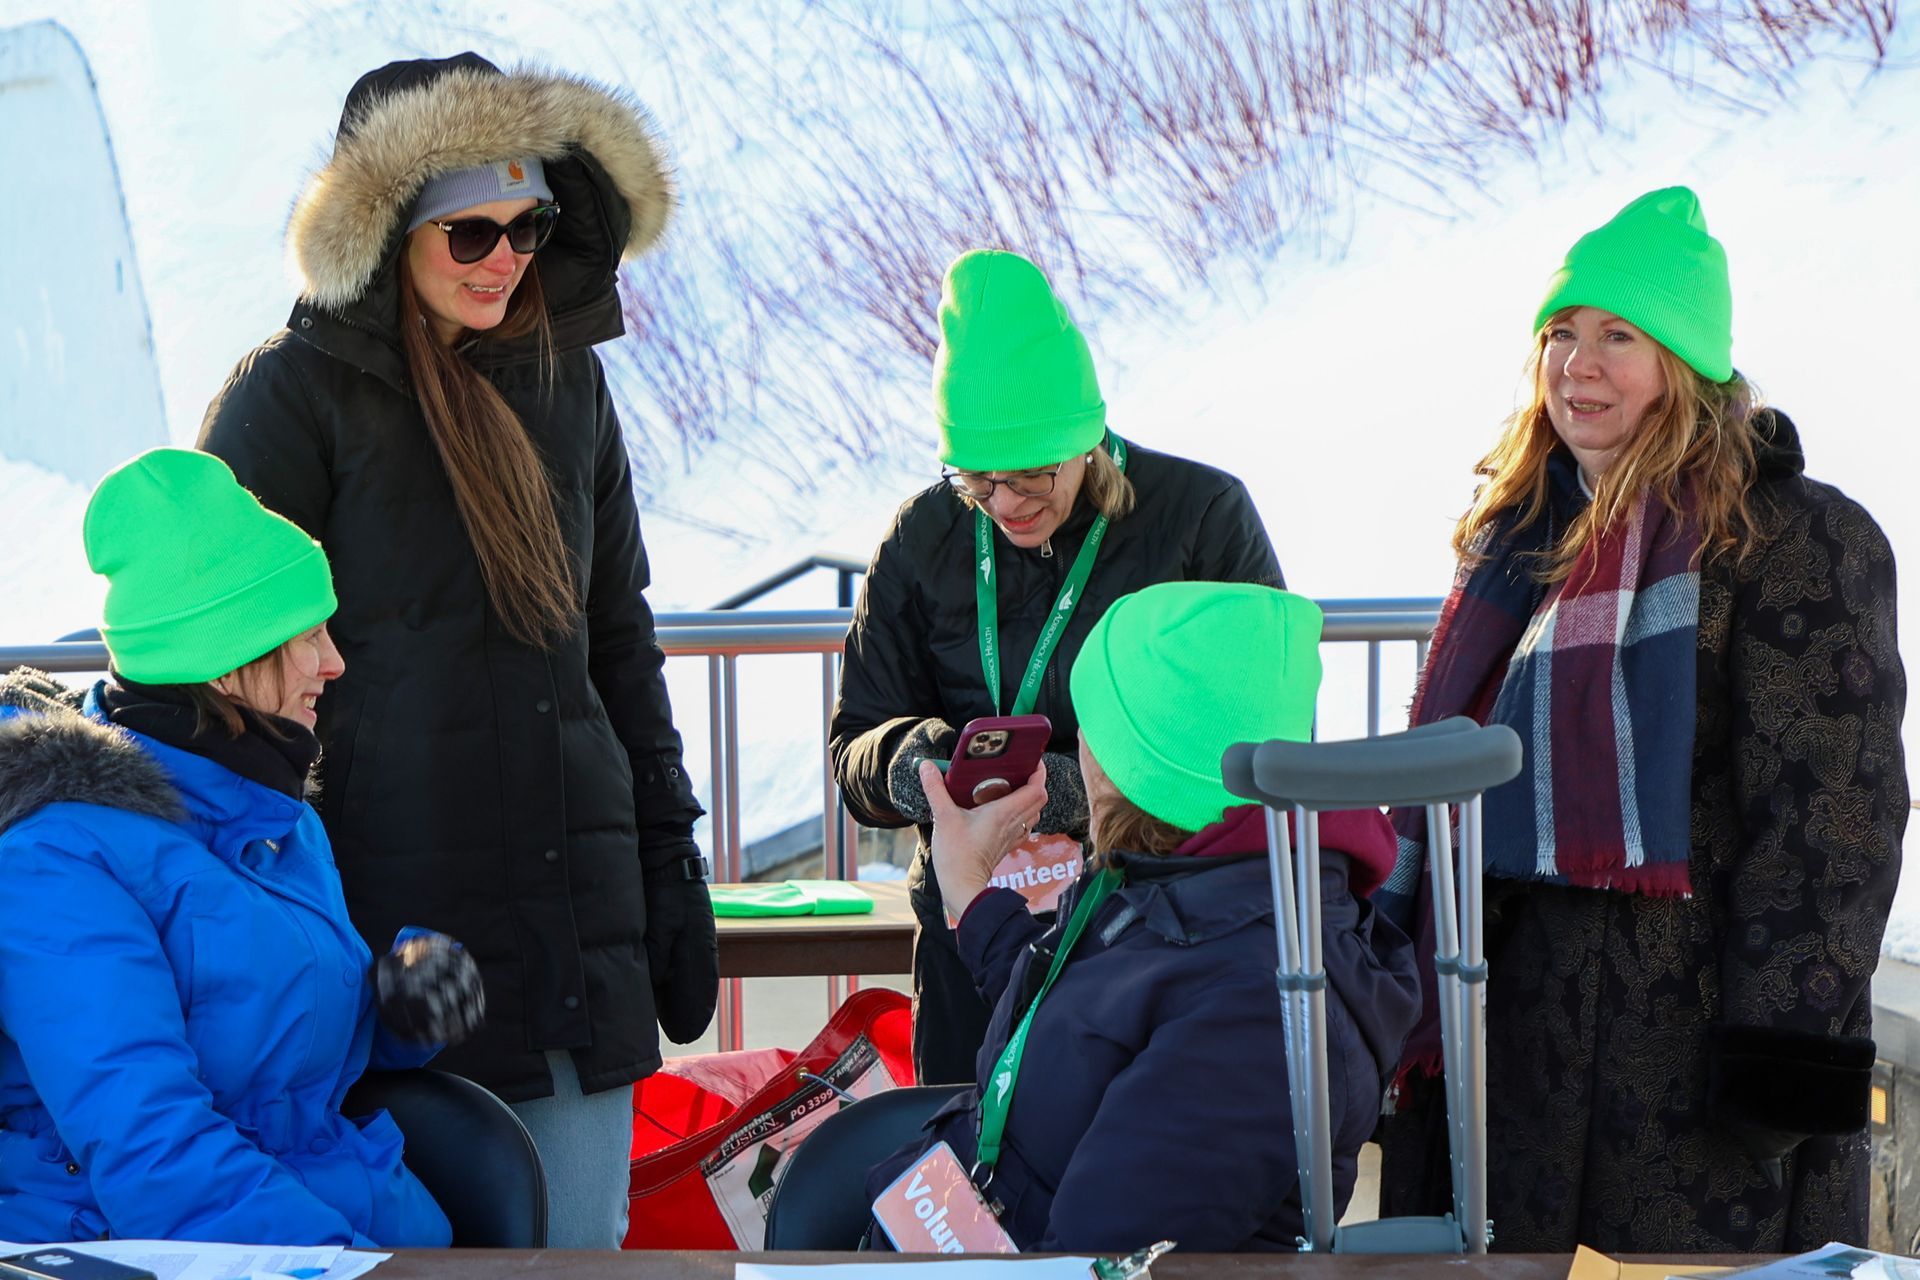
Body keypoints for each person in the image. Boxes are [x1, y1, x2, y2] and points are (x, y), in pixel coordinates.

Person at [197, 55, 715, 1247]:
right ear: (387, 232)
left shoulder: (568, 383)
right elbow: (216, 692)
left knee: (578, 1247)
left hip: (576, 929)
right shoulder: (290, 400)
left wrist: (670, 857)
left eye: (528, 228)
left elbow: (619, 641)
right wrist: (281, 930)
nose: (504, 260)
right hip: (388, 930)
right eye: (469, 230)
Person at [1374, 187, 1907, 1252]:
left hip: (1694, 1073)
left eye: (1620, 335)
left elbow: (1831, 818)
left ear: (1689, 361)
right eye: (1561, 334)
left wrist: (1777, 1055)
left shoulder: (1791, 536)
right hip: (1513, 1048)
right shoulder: (1519, 540)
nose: (1580, 362)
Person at [0, 449, 485, 1245]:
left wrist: (398, 1007)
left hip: (326, 1216)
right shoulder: (58, 861)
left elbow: (284, 1060)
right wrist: (350, 1266)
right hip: (135, 1245)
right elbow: (154, 1155)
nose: (333, 663)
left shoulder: (273, 813)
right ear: (227, 663)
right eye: (308, 635)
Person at [830, 248, 1285, 1083]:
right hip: (972, 928)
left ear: (1088, 441)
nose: (1006, 503)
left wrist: (1080, 789)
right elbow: (853, 748)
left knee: (1122, 1189)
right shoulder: (921, 537)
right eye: (978, 479)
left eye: (1033, 472)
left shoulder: (1200, 515)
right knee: (971, 1180)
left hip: (1152, 933)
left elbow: (1256, 740)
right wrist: (918, 769)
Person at [861, 581, 1420, 1251]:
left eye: (1092, 724)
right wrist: (971, 892)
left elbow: (1100, 1260)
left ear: (1129, 762)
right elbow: (1085, 1028)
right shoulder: (1188, 879)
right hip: (969, 1217)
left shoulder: (1250, 1014)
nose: (1080, 749)